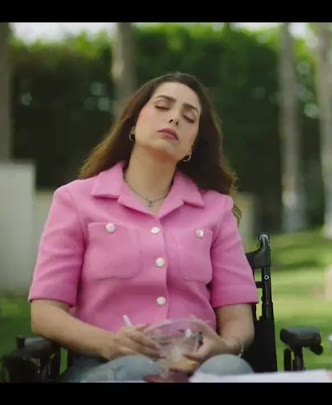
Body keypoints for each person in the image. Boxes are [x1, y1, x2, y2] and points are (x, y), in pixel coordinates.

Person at [27, 72, 259, 382]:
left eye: (189, 117)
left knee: (231, 371)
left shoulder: (217, 210)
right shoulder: (75, 200)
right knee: (136, 372)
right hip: (104, 366)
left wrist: (225, 347)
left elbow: (238, 320)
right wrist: (108, 343)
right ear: (133, 124)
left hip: (195, 367)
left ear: (192, 145)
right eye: (162, 106)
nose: (175, 118)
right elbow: (44, 312)